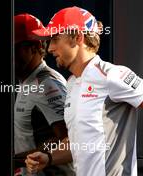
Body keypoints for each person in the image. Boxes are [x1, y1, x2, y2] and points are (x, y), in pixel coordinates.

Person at [25, 6, 143, 176]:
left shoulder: (112, 74)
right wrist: (49, 157)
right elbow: (78, 143)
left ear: (77, 38)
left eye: (56, 39)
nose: (50, 48)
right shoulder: (71, 84)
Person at [14, 13, 73, 175]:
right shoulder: (27, 79)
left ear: (34, 47)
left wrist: (15, 161)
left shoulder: (46, 85)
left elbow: (67, 139)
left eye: (13, 48)